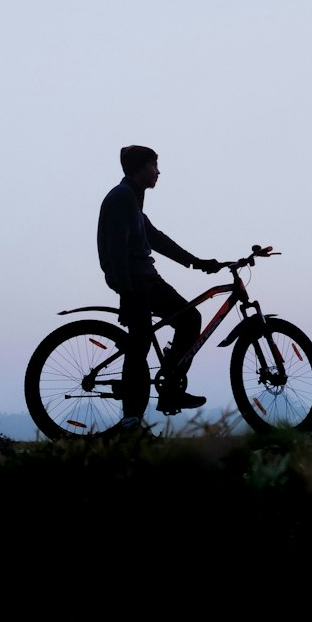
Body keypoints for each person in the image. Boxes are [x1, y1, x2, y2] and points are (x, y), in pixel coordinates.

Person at [97, 145, 221, 431]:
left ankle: (168, 389)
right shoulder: (122, 197)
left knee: (187, 319)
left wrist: (197, 263)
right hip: (136, 281)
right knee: (140, 344)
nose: (159, 171)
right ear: (140, 168)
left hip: (145, 278)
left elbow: (157, 239)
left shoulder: (133, 201)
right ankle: (133, 418)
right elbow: (116, 247)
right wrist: (125, 291)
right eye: (154, 165)